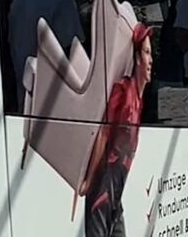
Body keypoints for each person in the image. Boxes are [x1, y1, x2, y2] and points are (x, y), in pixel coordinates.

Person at [80, 23, 153, 237]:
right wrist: (88, 180)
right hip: (102, 193)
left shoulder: (138, 100)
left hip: (114, 197)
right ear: (137, 58)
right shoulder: (124, 92)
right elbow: (103, 134)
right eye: (146, 53)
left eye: (151, 54)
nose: (150, 61)